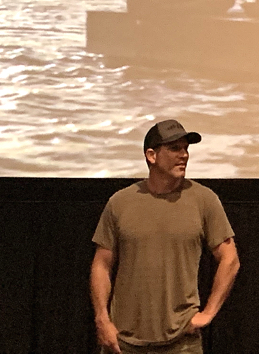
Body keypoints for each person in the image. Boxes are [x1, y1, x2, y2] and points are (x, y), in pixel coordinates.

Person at [90, 120, 240, 354]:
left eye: (185, 148)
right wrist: (102, 319)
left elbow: (230, 259)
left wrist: (208, 313)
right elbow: (102, 264)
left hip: (181, 343)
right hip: (123, 343)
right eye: (174, 148)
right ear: (151, 155)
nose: (184, 155)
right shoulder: (120, 202)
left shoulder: (204, 200)